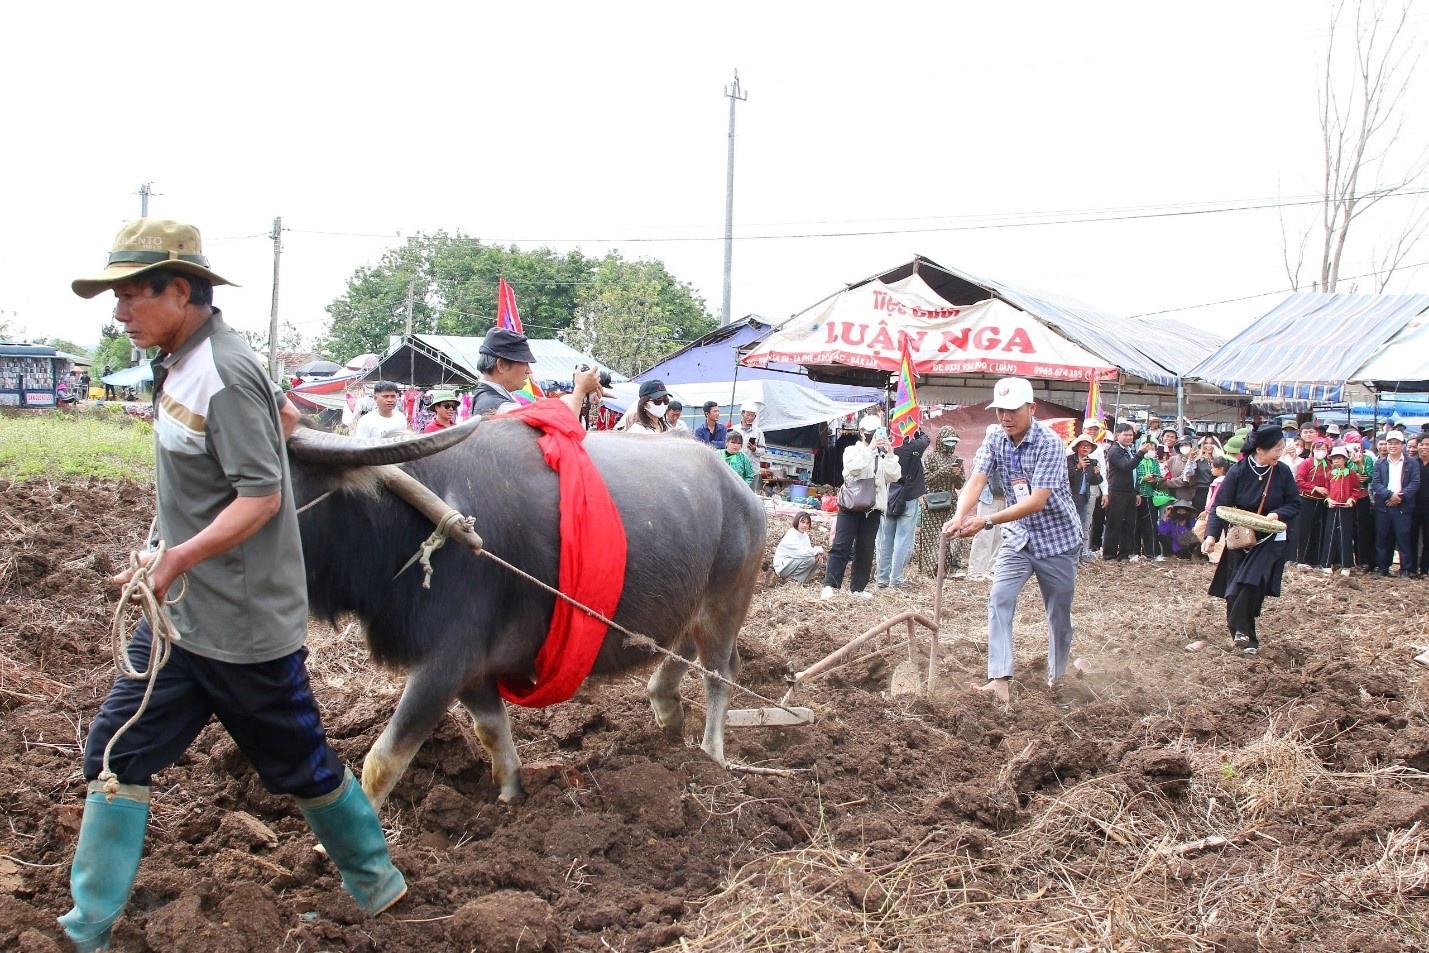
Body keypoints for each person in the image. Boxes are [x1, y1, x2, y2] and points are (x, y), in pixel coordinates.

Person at [61, 218, 406, 950]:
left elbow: (261, 495)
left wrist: (177, 556)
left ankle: (376, 884)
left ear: (178, 290)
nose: (118, 311)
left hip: (242, 628)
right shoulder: (185, 361)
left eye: (129, 294)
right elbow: (275, 417)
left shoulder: (222, 368)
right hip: (183, 618)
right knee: (115, 751)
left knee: (301, 766)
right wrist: (165, 556)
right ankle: (84, 927)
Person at [942, 378, 1085, 704]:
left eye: (1013, 410)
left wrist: (987, 520)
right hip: (1018, 539)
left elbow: (1037, 501)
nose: (1005, 417)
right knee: (999, 599)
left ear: (1031, 409)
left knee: (1058, 614)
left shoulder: (1049, 443)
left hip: (1057, 541)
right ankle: (999, 680)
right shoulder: (994, 438)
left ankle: (1057, 677)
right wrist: (960, 514)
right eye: (1000, 410)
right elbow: (976, 480)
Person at [1200, 423, 1302, 656]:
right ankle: (1243, 635)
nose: (1280, 453)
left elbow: (1294, 503)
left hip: (1271, 537)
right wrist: (1212, 536)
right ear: (1260, 449)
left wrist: (1278, 514)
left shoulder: (1283, 472)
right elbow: (1220, 506)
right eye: (1276, 448)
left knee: (1253, 582)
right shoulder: (1238, 471)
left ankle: (1243, 629)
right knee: (1235, 585)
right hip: (1242, 536)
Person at [821, 415, 900, 600]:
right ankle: (830, 584)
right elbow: (852, 469)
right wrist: (870, 450)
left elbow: (894, 475)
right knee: (841, 545)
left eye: (879, 433)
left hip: (873, 507)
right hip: (851, 505)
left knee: (865, 548)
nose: (876, 437)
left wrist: (889, 454)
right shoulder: (851, 450)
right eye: (872, 433)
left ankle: (858, 587)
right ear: (862, 433)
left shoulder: (882, 454)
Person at [470, 326, 600, 418]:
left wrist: (580, 395)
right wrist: (580, 391)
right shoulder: (501, 408)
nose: (529, 370)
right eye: (524, 364)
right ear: (502, 365)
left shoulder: (488, 399)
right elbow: (564, 429)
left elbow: (546, 408)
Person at [875, 424, 930, 589]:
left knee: (885, 540)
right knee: (902, 541)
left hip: (888, 498)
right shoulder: (915, 446)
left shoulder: (886, 447)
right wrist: (915, 428)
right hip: (909, 497)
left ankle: (882, 580)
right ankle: (896, 580)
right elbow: (926, 438)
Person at [1371, 430, 1421, 577]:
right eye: (1390, 443)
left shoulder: (1411, 463)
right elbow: (1376, 483)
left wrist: (1401, 496)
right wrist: (1389, 495)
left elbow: (1415, 482)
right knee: (1382, 539)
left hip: (1403, 507)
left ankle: (1405, 569)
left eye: (1396, 443)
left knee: (1403, 538)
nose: (1393, 446)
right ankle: (1382, 567)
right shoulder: (1379, 463)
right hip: (1383, 507)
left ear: (1402, 445)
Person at [916, 425, 966, 576]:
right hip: (933, 502)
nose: (951, 445)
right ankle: (932, 570)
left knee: (953, 534)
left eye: (954, 442)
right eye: (948, 441)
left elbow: (960, 484)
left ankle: (952, 567)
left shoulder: (955, 459)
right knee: (932, 537)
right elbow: (925, 480)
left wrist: (956, 474)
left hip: (950, 501)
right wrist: (945, 471)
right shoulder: (929, 457)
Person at [1102, 422, 1140, 561]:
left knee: (1129, 524)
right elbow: (1126, 466)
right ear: (1118, 435)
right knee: (1114, 523)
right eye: (1126, 435)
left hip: (1130, 492)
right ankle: (1109, 554)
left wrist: (1137, 491)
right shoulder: (1115, 450)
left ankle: (1124, 553)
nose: (1129, 437)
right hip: (1117, 492)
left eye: (1131, 435)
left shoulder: (1130, 450)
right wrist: (1141, 453)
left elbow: (1135, 473)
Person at [1322, 445, 1358, 576]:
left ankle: (1346, 565)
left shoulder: (1351, 474)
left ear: (1345, 459)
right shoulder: (1330, 474)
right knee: (1330, 535)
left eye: (1339, 458)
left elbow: (1356, 489)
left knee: (1345, 535)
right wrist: (1329, 499)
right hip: (1333, 507)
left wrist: (1351, 499)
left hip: (1346, 508)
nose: (1336, 461)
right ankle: (1326, 563)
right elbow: (1326, 490)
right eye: (1334, 459)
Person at [1066, 434, 1102, 555]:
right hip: (1069, 497)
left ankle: (1079, 554)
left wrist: (1097, 474)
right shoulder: (1070, 459)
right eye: (1083, 446)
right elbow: (1066, 476)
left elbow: (1094, 482)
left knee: (1082, 526)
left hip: (1084, 497)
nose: (1086, 448)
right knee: (1068, 525)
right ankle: (1068, 554)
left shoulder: (1092, 462)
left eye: (1088, 446)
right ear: (1077, 447)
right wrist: (1078, 467)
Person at [774, 512, 824, 585]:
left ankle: (802, 580)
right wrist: (818, 550)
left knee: (818, 559)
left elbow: (808, 550)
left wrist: (817, 554)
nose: (804, 525)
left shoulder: (805, 535)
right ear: (797, 521)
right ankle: (794, 580)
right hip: (783, 567)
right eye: (802, 522)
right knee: (810, 559)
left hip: (794, 563)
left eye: (807, 523)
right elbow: (802, 553)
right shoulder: (791, 534)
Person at [1415, 437, 1429, 578]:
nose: (1424, 447)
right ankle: (1411, 568)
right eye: (1422, 444)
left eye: (1427, 445)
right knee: (1412, 538)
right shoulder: (1412, 464)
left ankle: (1425, 569)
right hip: (1413, 507)